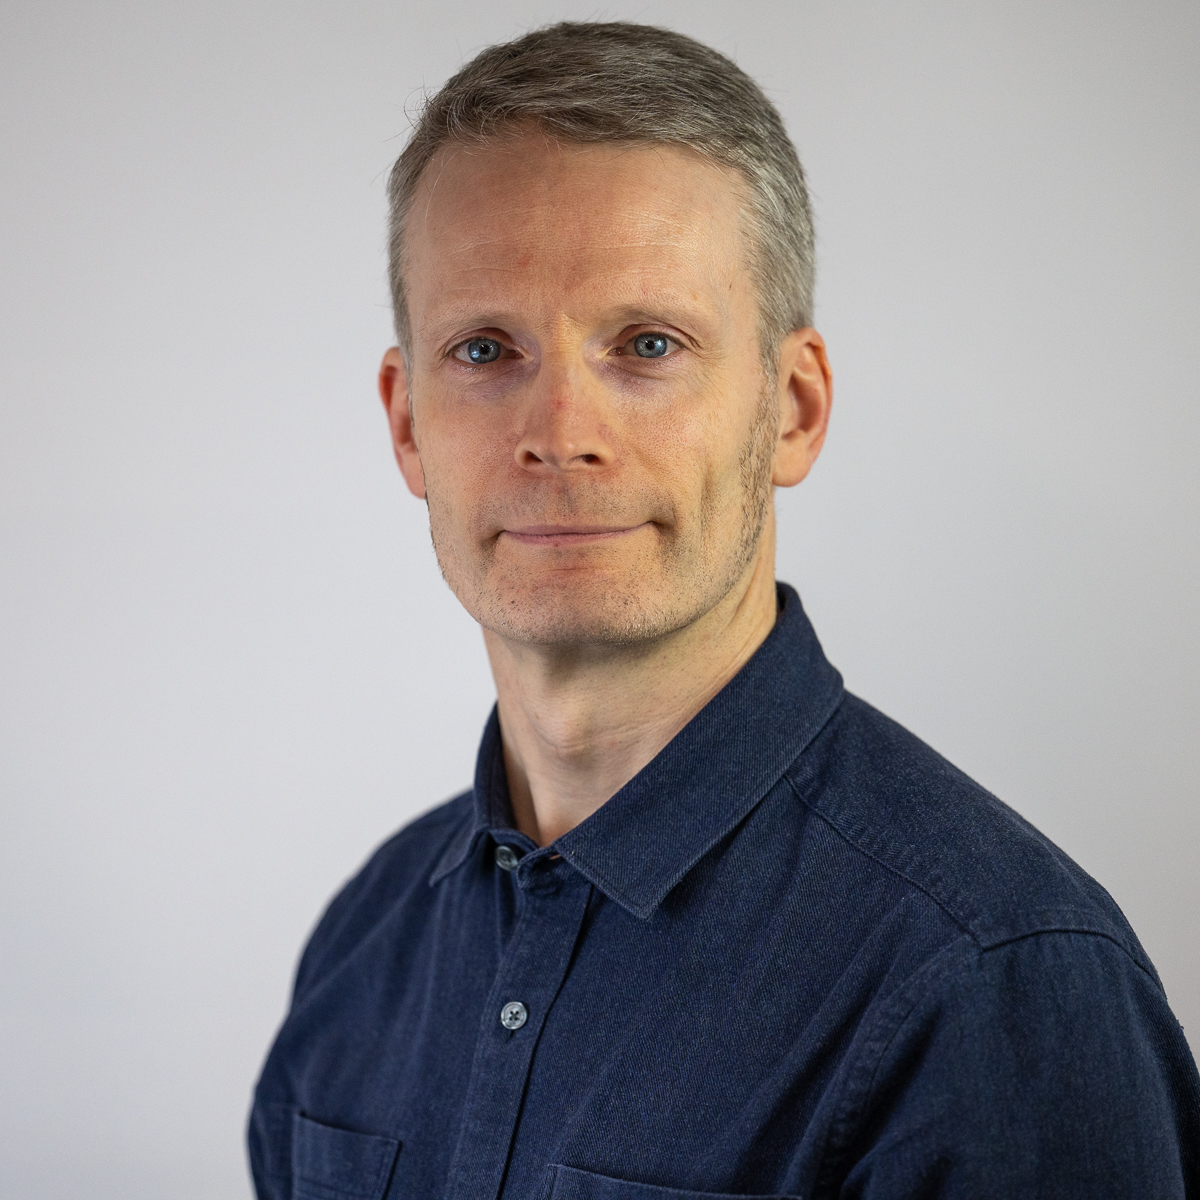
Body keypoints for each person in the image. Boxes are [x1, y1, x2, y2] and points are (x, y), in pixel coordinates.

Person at [248, 21, 1200, 1199]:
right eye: (485, 350)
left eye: (646, 344)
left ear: (792, 409)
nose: (560, 434)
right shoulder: (362, 946)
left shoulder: (991, 978)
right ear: (406, 425)